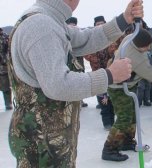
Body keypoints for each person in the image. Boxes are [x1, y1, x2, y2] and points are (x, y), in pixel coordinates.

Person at [7, 0, 143, 167]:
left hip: (49, 140)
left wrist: (123, 20)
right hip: (42, 145)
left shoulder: (51, 20)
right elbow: (58, 85)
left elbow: (86, 38)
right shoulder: (41, 25)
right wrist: (109, 75)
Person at [102, 28, 152, 161]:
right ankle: (109, 149)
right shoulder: (136, 57)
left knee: (133, 115)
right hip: (118, 87)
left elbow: (150, 42)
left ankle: (126, 141)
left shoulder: (133, 37)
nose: (148, 48)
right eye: (146, 47)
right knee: (124, 117)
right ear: (138, 46)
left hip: (129, 84)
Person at [84, 15, 117, 130]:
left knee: (112, 100)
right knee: (103, 102)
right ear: (95, 26)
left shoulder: (111, 38)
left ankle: (113, 122)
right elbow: (85, 53)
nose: (100, 26)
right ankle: (107, 123)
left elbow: (116, 52)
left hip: (111, 74)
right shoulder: (91, 40)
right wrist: (94, 58)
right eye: (97, 24)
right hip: (98, 75)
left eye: (102, 23)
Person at [66, 16, 89, 107]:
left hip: (79, 62)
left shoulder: (79, 34)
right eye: (71, 25)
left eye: (74, 25)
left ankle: (81, 100)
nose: (73, 27)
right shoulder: (65, 35)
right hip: (69, 63)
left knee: (81, 79)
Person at [0, 28, 12, 110]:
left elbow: (9, 50)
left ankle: (8, 104)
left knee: (6, 86)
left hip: (3, 65)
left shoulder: (5, 37)